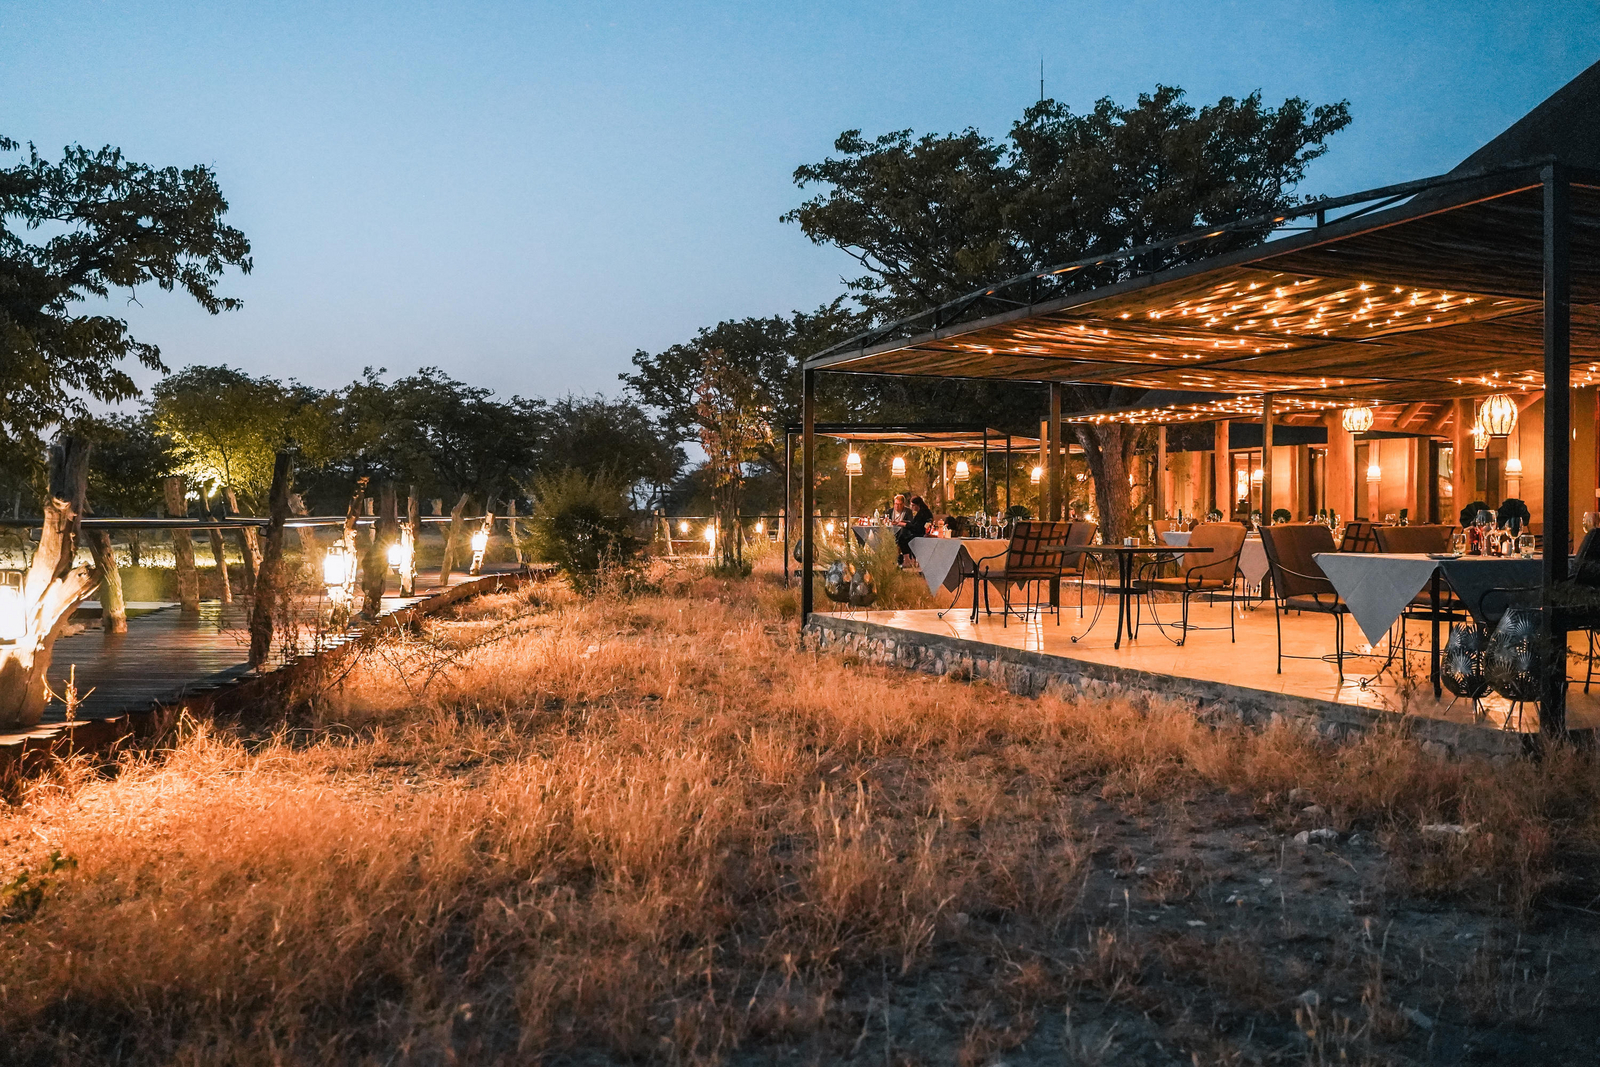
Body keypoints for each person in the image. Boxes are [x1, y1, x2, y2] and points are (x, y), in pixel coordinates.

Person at [894, 495, 933, 563]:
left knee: (903, 537)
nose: (912, 507)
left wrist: (905, 524)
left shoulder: (923, 513)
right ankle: (908, 559)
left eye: (913, 505)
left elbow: (917, 527)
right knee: (903, 533)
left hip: (921, 533)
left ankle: (907, 560)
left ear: (918, 505)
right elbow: (914, 523)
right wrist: (904, 522)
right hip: (919, 531)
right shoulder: (922, 512)